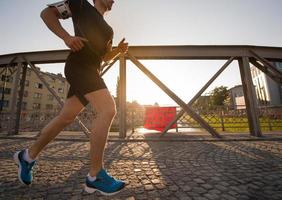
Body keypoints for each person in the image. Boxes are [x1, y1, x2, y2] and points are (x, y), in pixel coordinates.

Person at [13, 0, 128, 196]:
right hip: (79, 68)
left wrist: (118, 51)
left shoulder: (108, 29)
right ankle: (95, 176)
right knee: (108, 109)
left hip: (92, 71)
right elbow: (46, 14)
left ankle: (27, 156)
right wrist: (66, 37)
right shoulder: (80, 4)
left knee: (65, 117)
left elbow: (104, 57)